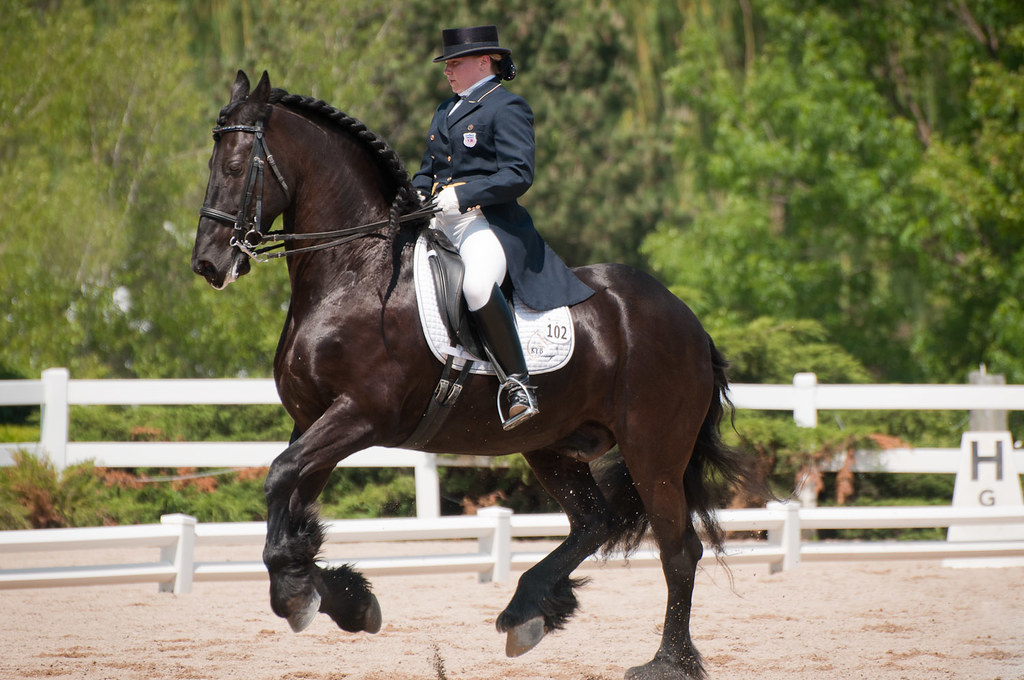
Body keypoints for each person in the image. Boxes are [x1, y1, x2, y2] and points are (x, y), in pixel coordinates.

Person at [413, 24, 594, 431]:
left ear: (484, 62)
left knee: (477, 286)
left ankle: (517, 384)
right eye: (446, 64)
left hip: (485, 222)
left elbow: (518, 174)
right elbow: (427, 171)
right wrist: (416, 195)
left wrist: (464, 194)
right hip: (439, 221)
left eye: (455, 63)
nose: (447, 71)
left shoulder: (506, 107)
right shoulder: (445, 111)